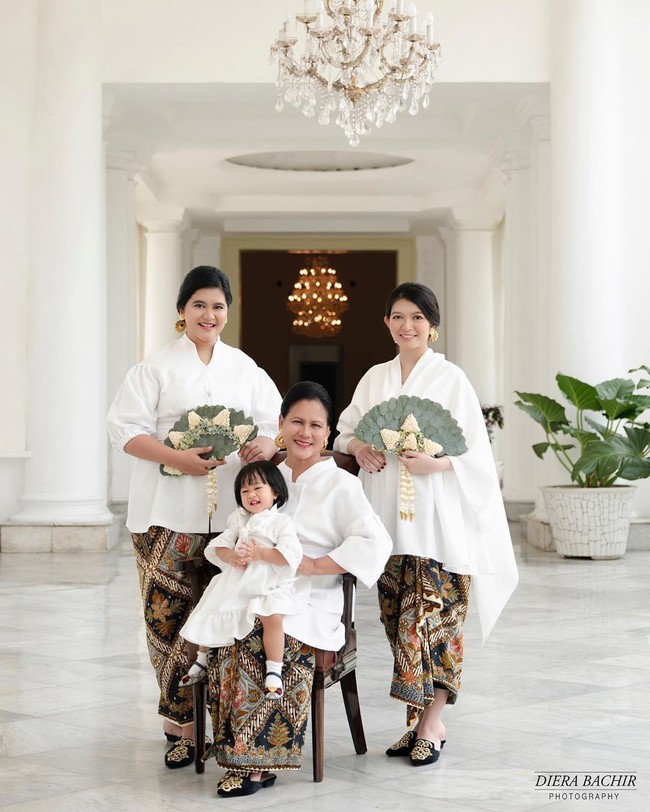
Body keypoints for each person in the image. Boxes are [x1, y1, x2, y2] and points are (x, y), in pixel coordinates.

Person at [334, 282, 518, 767]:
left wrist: (439, 465)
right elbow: (346, 430)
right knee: (398, 620)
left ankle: (433, 722)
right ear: (387, 323)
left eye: (416, 317)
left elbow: (477, 454)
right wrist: (360, 448)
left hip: (441, 524)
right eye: (397, 316)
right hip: (387, 521)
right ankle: (414, 722)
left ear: (432, 325)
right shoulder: (375, 378)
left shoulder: (452, 380)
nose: (407, 325)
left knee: (436, 619)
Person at [107, 266, 281, 769]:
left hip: (230, 522)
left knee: (224, 621)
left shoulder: (244, 368)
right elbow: (124, 430)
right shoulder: (154, 368)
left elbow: (272, 425)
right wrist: (176, 456)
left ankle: (223, 723)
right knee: (169, 624)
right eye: (200, 305)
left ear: (228, 312)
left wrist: (264, 445)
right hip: (165, 515)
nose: (210, 314)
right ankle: (180, 726)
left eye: (219, 306)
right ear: (182, 311)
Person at [206, 381, 393, 798]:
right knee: (225, 630)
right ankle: (233, 748)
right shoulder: (265, 479)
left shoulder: (342, 484)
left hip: (315, 597)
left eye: (315, 425)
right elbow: (236, 529)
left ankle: (256, 762)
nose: (304, 433)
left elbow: (374, 542)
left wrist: (312, 564)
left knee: (266, 636)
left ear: (327, 433)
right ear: (280, 424)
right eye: (296, 422)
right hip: (258, 587)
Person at [179, 460, 308, 699]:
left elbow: (290, 554)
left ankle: (274, 670)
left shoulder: (281, 522)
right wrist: (232, 558)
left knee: (272, 617)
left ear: (275, 492)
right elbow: (220, 545)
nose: (251, 495)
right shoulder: (238, 519)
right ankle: (202, 659)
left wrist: (260, 554)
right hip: (238, 577)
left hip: (268, 581)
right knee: (210, 607)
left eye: (258, 488)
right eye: (245, 491)